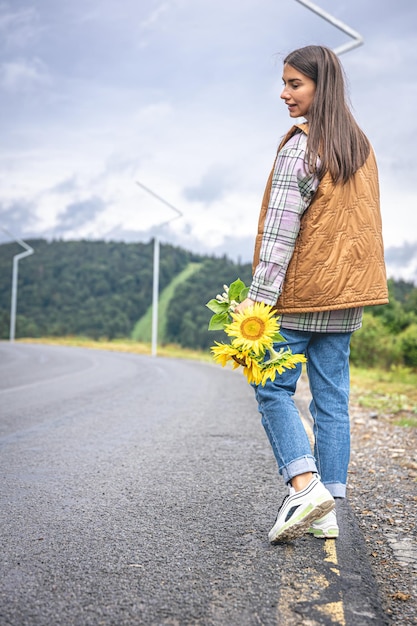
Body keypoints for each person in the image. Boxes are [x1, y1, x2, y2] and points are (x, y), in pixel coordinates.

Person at [234, 45, 388, 543]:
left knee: (271, 387)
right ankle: (326, 512)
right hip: (347, 300)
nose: (284, 93)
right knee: (331, 400)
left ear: (321, 87)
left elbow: (280, 237)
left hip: (301, 299)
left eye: (294, 84)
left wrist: (255, 306)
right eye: (284, 83)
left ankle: (304, 486)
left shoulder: (301, 146)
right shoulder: (359, 147)